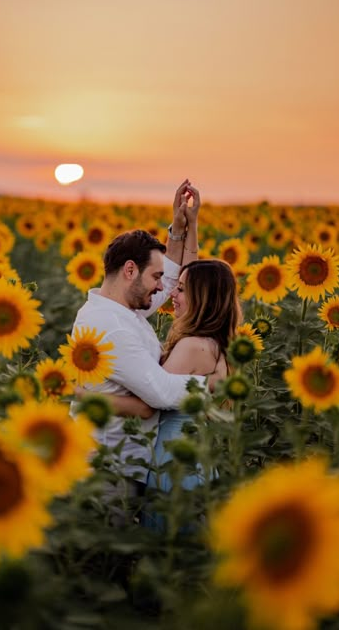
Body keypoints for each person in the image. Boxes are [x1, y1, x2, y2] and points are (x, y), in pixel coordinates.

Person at [70, 179, 218, 509]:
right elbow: (160, 393)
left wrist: (179, 228)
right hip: (107, 472)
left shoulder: (120, 309)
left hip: (122, 466)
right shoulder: (110, 327)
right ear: (130, 270)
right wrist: (214, 384)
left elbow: (172, 281)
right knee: (106, 559)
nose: (161, 288)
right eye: (153, 277)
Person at [142, 257, 242, 528]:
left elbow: (152, 397)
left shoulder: (193, 346)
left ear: (203, 297)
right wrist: (187, 227)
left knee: (168, 547)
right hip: (192, 452)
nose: (172, 293)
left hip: (173, 458)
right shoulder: (214, 343)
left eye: (182, 289)